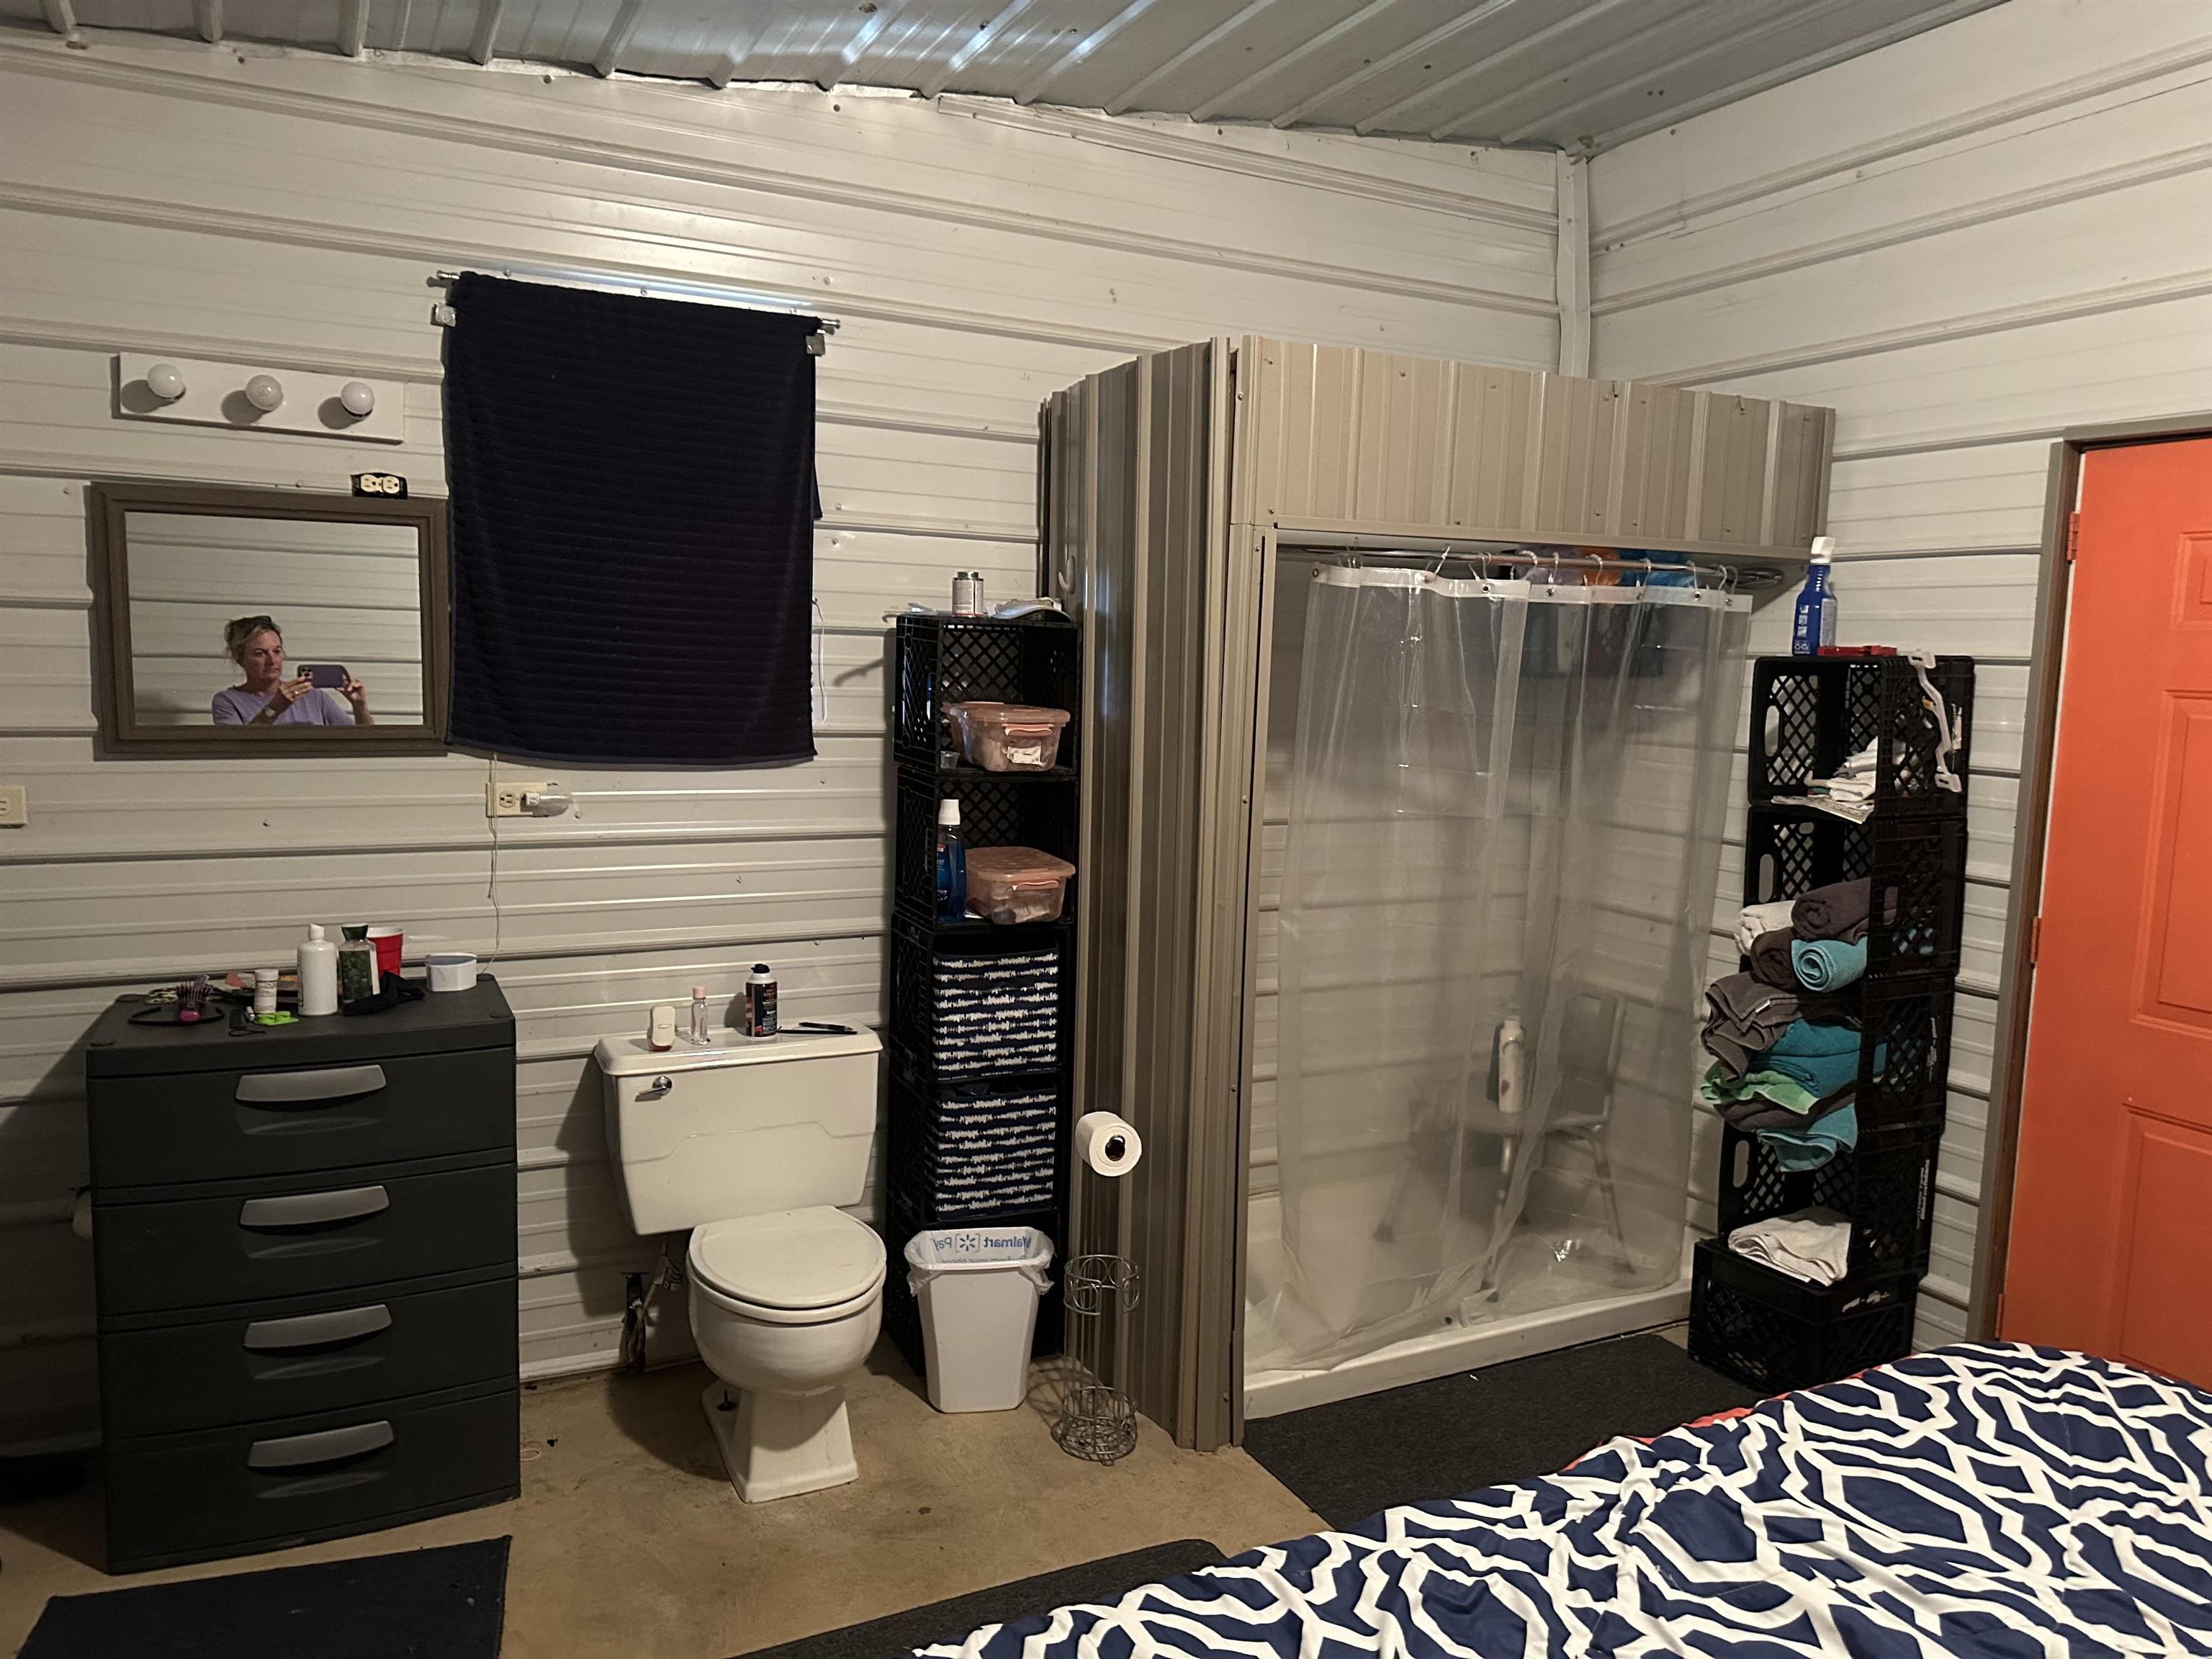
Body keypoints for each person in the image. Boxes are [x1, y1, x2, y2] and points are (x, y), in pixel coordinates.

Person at [210, 615, 372, 727]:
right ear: (240, 658)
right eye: (260, 654)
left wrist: (360, 707)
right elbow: (236, 749)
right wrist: (273, 709)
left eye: (277, 651)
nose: (272, 661)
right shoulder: (228, 702)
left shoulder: (314, 697)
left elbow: (365, 743)